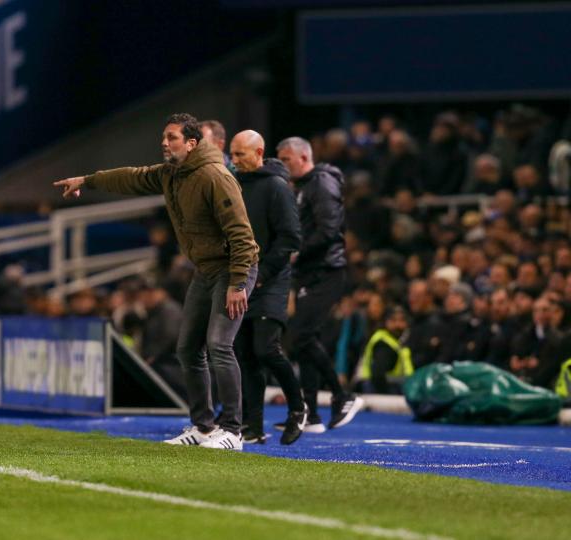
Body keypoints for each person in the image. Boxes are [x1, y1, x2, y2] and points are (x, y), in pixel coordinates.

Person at [54, 113, 259, 450]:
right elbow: (131, 178)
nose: (164, 143)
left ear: (192, 143)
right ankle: (204, 427)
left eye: (172, 138)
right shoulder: (172, 174)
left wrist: (238, 283)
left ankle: (234, 431)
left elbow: (242, 236)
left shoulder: (215, 176)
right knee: (187, 348)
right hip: (205, 270)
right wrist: (86, 180)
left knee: (220, 345)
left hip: (232, 269)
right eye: (164, 137)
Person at [277, 136, 363, 432]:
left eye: (286, 160)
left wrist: (297, 252)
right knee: (304, 340)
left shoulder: (321, 183)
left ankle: (343, 396)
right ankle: (311, 415)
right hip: (310, 270)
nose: (283, 166)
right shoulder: (304, 186)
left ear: (303, 158)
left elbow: (329, 230)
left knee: (300, 336)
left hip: (326, 270)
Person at [229, 130, 307, 445]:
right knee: (246, 353)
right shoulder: (234, 185)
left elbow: (290, 237)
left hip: (270, 280)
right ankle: (253, 426)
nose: (234, 161)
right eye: (232, 155)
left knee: (265, 348)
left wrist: (262, 274)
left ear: (259, 152)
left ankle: (297, 408)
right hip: (242, 280)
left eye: (240, 155)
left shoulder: (276, 187)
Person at [357, 306, 414, 394]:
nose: (398, 324)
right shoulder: (383, 343)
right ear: (386, 321)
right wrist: (385, 397)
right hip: (376, 391)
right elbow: (378, 374)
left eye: (402, 320)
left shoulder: (397, 342)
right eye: (393, 320)